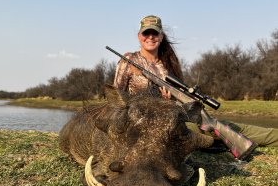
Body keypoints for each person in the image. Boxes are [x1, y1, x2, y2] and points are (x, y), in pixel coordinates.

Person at [113, 15, 278, 159]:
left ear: (161, 36)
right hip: (147, 125)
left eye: (154, 33)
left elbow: (179, 101)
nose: (150, 37)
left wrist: (168, 101)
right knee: (204, 130)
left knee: (227, 126)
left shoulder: (168, 64)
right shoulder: (129, 60)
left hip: (176, 117)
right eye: (146, 33)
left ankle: (270, 137)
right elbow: (116, 99)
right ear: (139, 36)